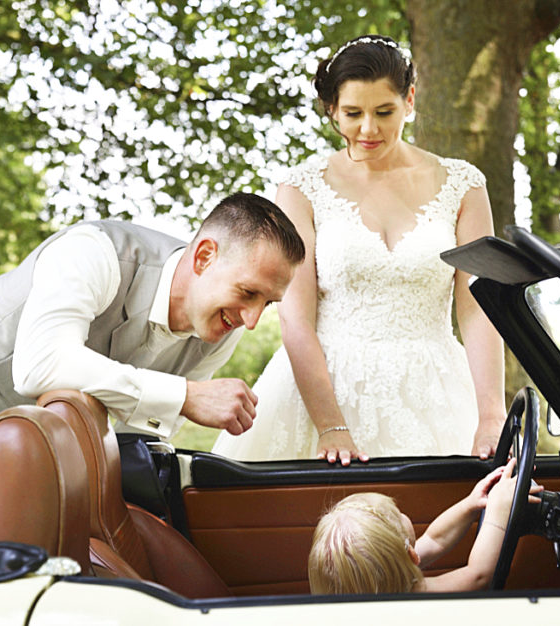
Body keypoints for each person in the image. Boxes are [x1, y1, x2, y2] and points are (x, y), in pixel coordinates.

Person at [212, 35, 506, 464]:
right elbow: (296, 319)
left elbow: (479, 307)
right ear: (331, 109)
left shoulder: (463, 185)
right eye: (352, 113)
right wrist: (331, 426)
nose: (368, 129)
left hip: (437, 389)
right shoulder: (300, 189)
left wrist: (491, 413)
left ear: (408, 101)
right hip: (324, 390)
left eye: (384, 112)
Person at [0, 192, 305, 440]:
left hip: (24, 438)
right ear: (205, 256)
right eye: (248, 293)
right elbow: (41, 366)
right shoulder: (95, 252)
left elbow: (140, 432)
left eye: (267, 303)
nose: (251, 320)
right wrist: (186, 396)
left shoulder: (221, 325)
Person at [308, 458, 540, 594]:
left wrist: (470, 505)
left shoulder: (389, 576)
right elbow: (479, 575)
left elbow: (436, 538)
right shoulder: (420, 593)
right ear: (411, 554)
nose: (401, 513)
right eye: (397, 514)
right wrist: (498, 509)